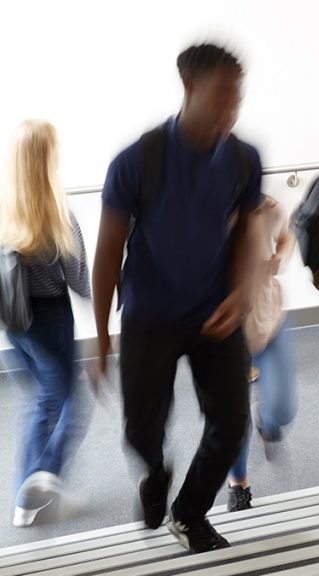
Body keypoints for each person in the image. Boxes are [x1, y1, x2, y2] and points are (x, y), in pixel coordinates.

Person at [92, 43, 259, 553]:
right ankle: (156, 470)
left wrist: (242, 293)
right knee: (142, 428)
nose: (230, 109)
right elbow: (107, 253)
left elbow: (248, 231)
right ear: (187, 86)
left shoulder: (242, 158)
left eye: (238, 98)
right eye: (221, 96)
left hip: (215, 313)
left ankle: (188, 513)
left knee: (232, 425)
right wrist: (100, 335)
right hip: (150, 316)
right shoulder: (137, 160)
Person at [0, 120, 91, 527]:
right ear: (47, 158)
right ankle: (41, 476)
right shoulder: (56, 210)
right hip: (48, 319)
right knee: (69, 407)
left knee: (40, 402)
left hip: (11, 321)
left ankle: (25, 504)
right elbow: (78, 279)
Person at [227, 194, 298, 512]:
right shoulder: (195, 214)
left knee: (283, 409)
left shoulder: (264, 206)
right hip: (224, 333)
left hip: (269, 319)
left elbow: (287, 235)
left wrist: (280, 256)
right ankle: (238, 482)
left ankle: (268, 424)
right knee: (231, 417)